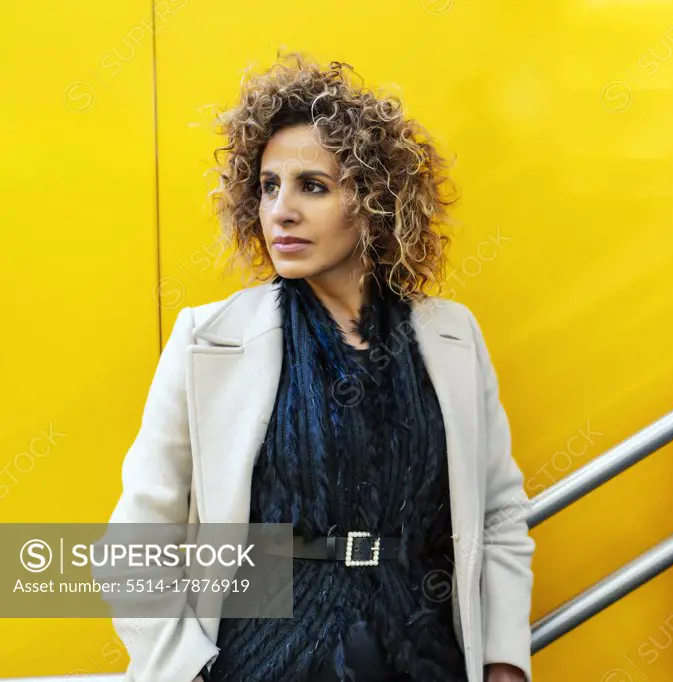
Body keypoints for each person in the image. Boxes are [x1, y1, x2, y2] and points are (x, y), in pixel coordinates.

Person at [104, 53, 535, 682]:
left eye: (313, 186)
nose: (281, 210)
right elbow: (138, 537)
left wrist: (503, 661)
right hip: (257, 659)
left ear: (374, 203)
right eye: (269, 186)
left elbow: (498, 514)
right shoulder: (209, 339)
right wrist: (181, 668)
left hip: (421, 654)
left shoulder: (450, 336)